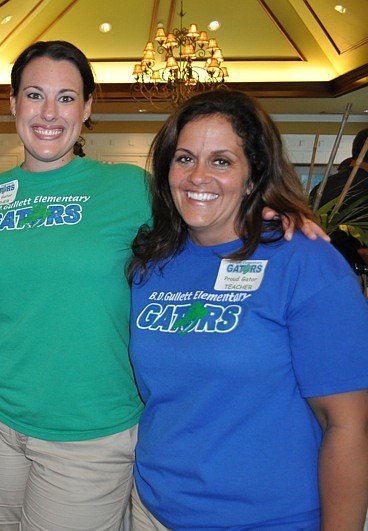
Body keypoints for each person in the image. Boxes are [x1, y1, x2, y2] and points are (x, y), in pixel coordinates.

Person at [127, 90, 368, 529]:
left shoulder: (305, 260)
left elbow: (348, 426)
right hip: (153, 511)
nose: (198, 176)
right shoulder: (152, 261)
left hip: (269, 519)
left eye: (222, 161)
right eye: (184, 158)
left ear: (254, 175)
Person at [0, 40, 147, 530]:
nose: (49, 112)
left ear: (87, 108)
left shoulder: (130, 188)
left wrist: (282, 219)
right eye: (34, 95)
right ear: (13, 103)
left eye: (66, 98)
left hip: (86, 431)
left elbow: (211, 222)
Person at [309, 127, 368, 272]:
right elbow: (363, 250)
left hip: (318, 268)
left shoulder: (322, 186)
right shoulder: (365, 187)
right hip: (350, 274)